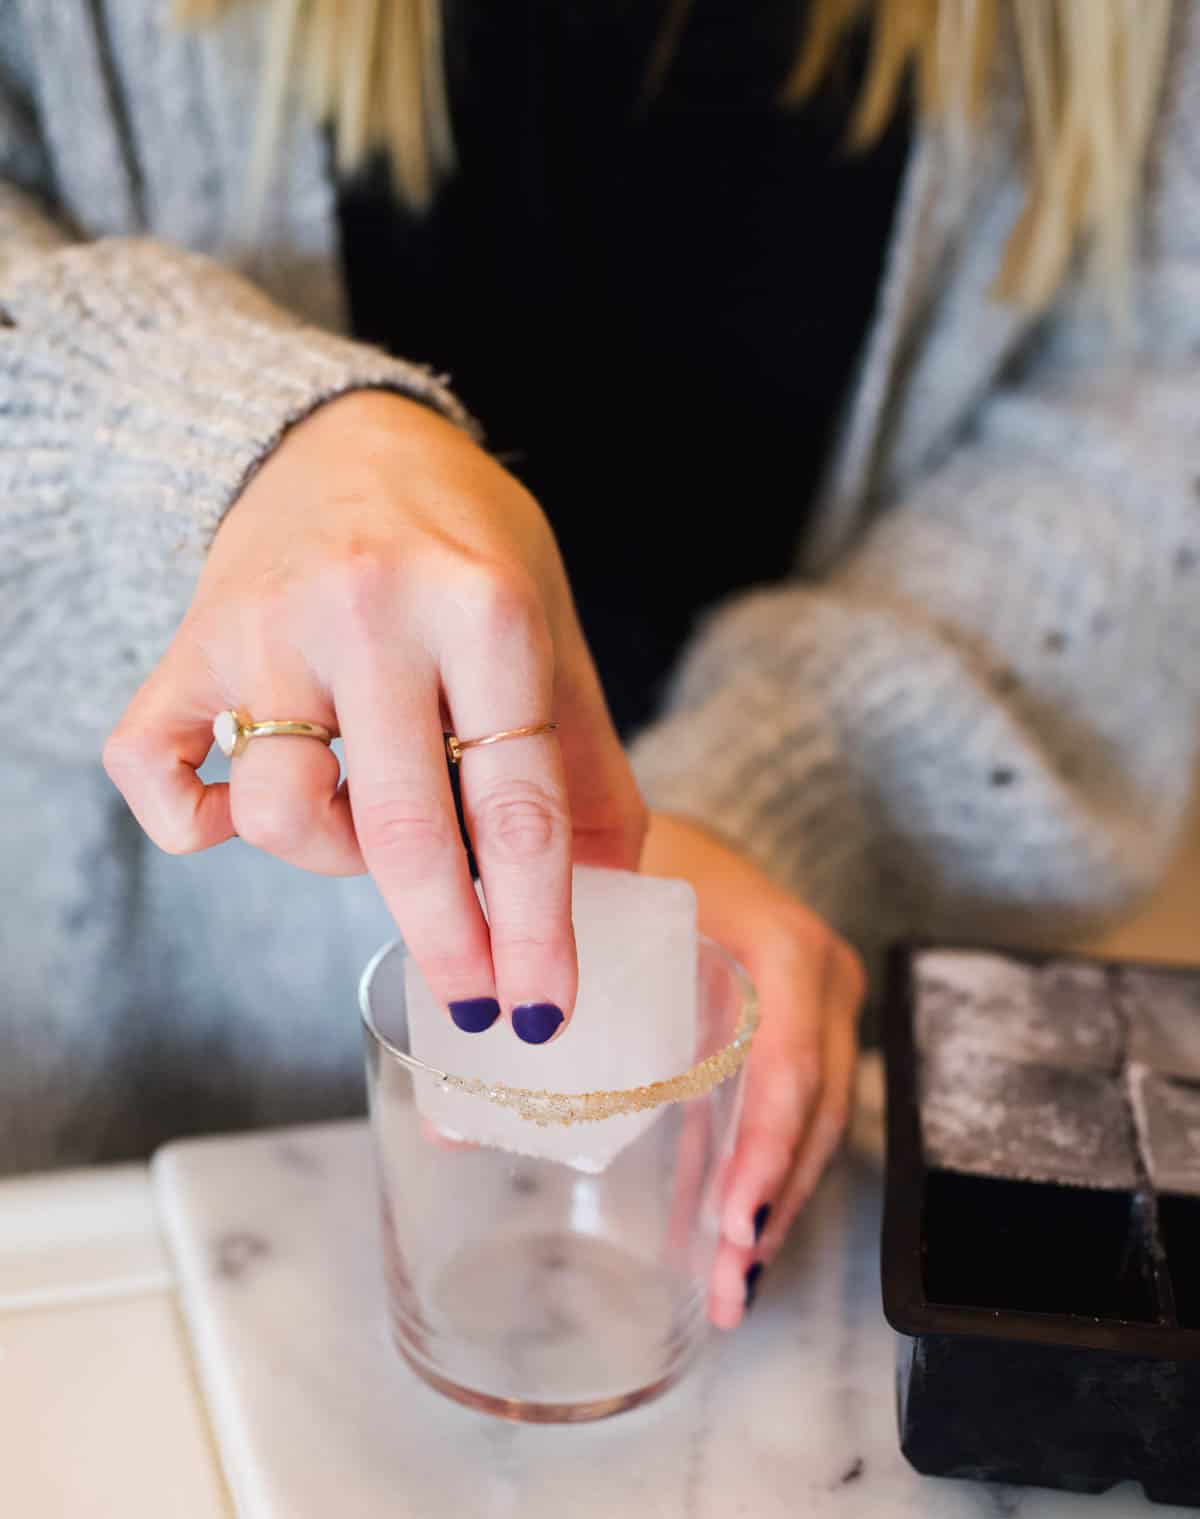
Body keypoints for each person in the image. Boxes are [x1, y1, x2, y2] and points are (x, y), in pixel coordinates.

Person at [1, 1, 1197, 1331]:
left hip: (762, 1187)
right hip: (107, 1198)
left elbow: (1150, 398)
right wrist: (212, 452)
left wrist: (790, 789)